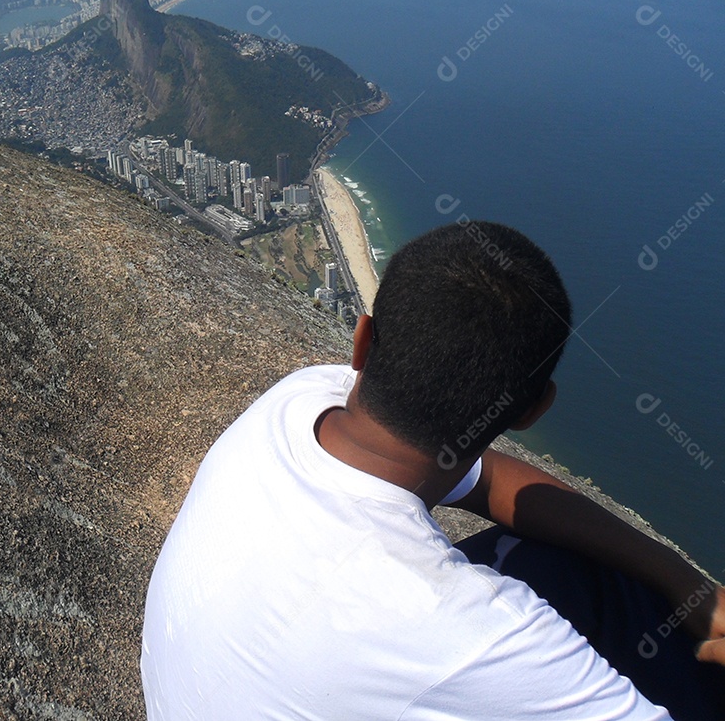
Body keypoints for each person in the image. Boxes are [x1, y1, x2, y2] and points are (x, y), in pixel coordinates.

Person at [140, 221, 725, 720]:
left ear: (362, 340)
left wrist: (686, 586)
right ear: (532, 411)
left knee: (576, 568)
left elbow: (496, 483)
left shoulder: (304, 400)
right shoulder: (467, 629)